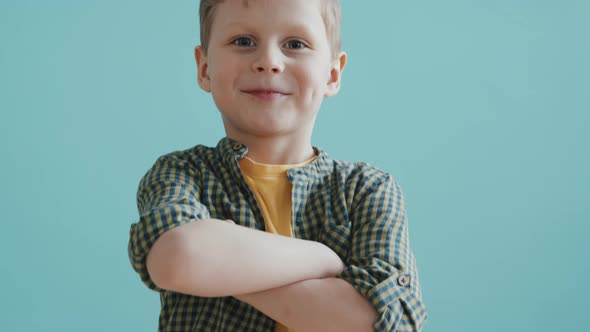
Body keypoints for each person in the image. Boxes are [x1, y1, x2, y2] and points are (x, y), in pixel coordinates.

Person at [127, 0, 428, 331]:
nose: (268, 62)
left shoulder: (368, 190)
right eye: (244, 41)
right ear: (205, 68)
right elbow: (178, 258)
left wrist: (219, 268)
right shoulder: (183, 173)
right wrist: (321, 259)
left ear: (332, 74)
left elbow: (382, 321)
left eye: (295, 44)